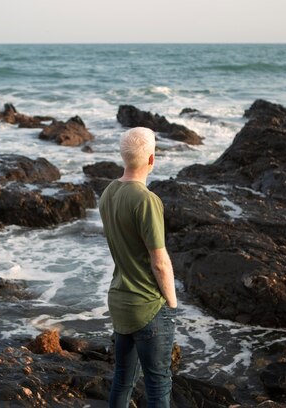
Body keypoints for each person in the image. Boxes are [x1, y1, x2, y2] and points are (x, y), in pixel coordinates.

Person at [99, 127, 177, 407]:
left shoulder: (108, 192)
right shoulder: (146, 200)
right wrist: (172, 304)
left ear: (123, 157)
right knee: (159, 384)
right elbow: (160, 261)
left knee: (123, 379)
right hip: (148, 305)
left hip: (120, 300)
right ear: (152, 159)